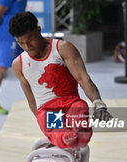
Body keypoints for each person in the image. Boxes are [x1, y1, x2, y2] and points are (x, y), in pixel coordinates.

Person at [9, 11, 112, 149]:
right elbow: (31, 100)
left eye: (30, 40)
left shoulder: (62, 49)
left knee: (80, 108)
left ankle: (76, 134)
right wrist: (47, 129)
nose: (27, 47)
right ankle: (62, 137)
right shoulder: (18, 64)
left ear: (39, 30)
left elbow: (83, 78)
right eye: (21, 43)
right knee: (53, 125)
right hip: (48, 110)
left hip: (70, 104)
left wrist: (98, 103)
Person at [0, 0, 27, 114]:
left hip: (19, 34)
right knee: (2, 67)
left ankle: (38, 99)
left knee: (26, 64)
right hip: (7, 36)